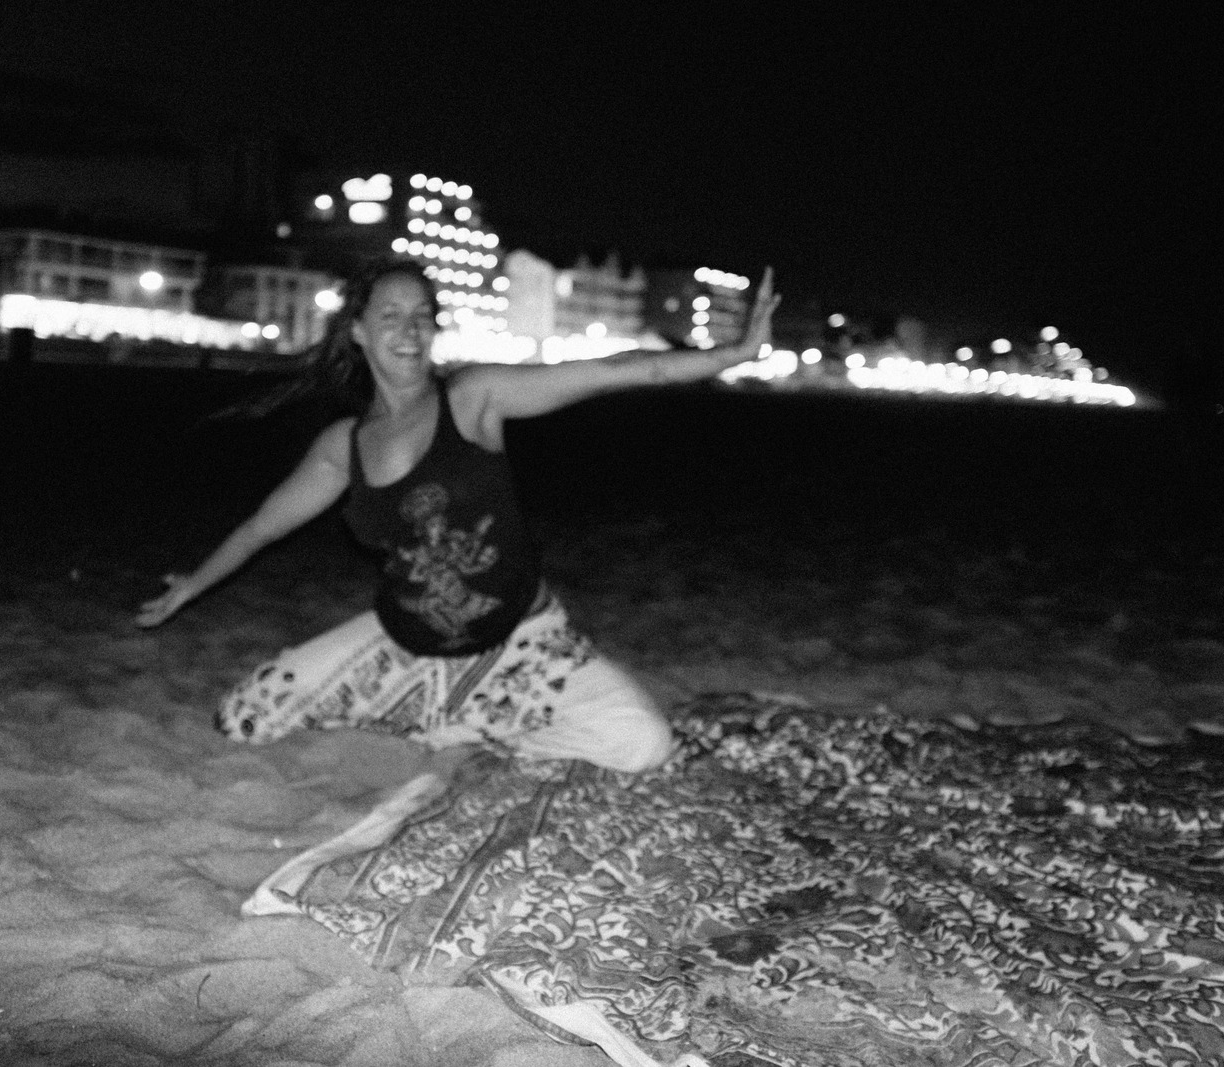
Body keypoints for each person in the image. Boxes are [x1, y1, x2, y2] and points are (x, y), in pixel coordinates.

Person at [137, 257, 778, 915]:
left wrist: (735, 353)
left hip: (524, 644)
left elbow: (615, 372)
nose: (410, 330)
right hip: (407, 652)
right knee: (243, 716)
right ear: (358, 331)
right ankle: (451, 723)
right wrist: (193, 584)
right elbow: (263, 525)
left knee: (646, 744)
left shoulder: (473, 400)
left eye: (422, 315)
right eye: (391, 315)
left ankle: (480, 730)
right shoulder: (345, 446)